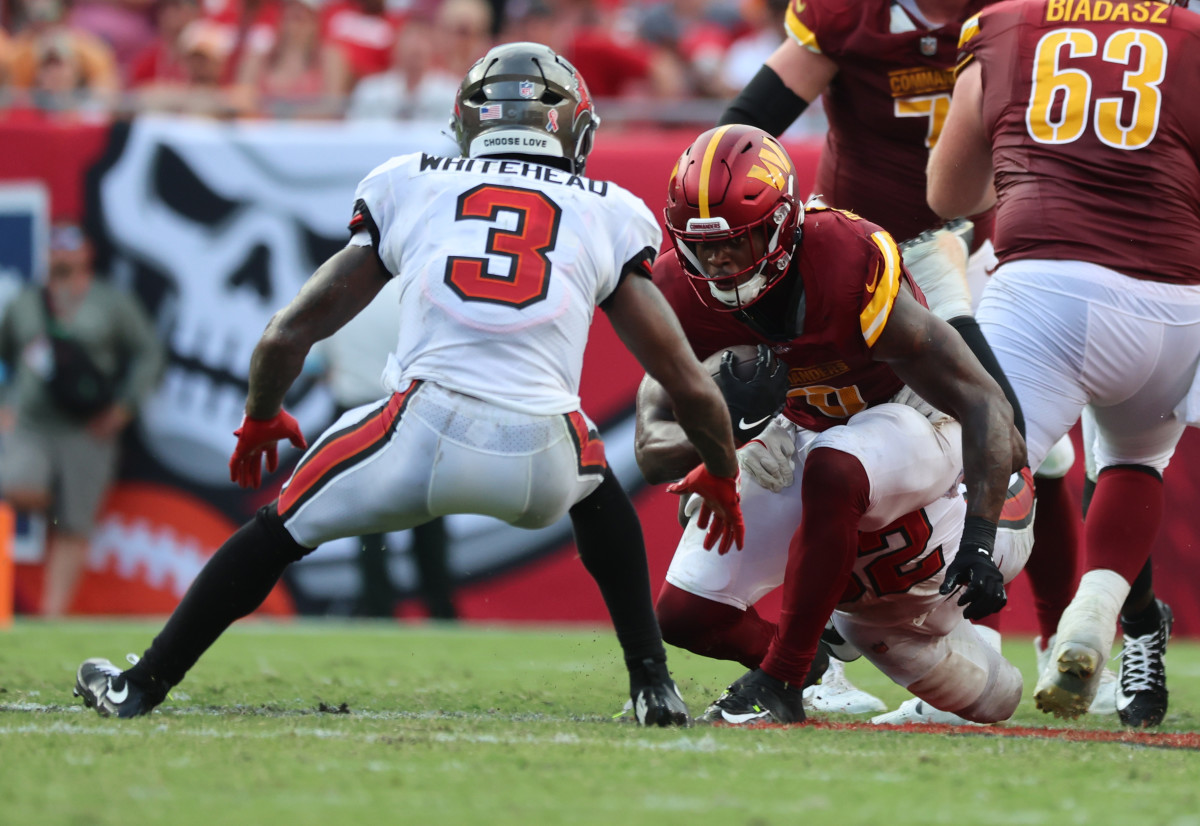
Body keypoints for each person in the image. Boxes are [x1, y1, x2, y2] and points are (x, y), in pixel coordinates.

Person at [71, 42, 744, 727]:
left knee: (275, 533)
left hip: (417, 434)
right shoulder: (609, 210)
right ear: (574, 128)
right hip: (543, 457)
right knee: (596, 489)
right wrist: (721, 472)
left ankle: (143, 683)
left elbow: (286, 333)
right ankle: (653, 683)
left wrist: (262, 415)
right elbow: (688, 384)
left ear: (467, 123)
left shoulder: (414, 181)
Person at [715, 0, 1151, 718]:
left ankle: (1047, 642)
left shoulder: (1019, 15)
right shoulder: (850, 12)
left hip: (968, 248)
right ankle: (827, 657)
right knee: (825, 446)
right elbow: (752, 118)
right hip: (859, 261)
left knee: (1030, 449)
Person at [642, 124, 1024, 725]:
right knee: (686, 615)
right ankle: (807, 660)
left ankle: (782, 681)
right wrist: (723, 444)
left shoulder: (845, 260)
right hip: (799, 431)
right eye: (700, 244)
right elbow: (649, 441)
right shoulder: (677, 290)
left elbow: (985, 402)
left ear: (782, 225)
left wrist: (979, 534)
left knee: (835, 466)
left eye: (736, 242)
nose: (716, 261)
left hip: (918, 419)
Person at [927, 0, 1200, 727]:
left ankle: (944, 654)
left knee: (972, 472)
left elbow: (948, 193)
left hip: (1040, 287)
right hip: (1171, 298)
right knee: (1135, 463)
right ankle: (1096, 612)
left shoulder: (1006, 24)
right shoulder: (1191, 38)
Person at [0, 222, 165, 616]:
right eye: (54, 245)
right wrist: (6, 403)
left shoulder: (111, 302)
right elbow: (5, 354)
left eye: (70, 244)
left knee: (74, 527)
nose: (61, 252)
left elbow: (149, 353)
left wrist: (125, 408)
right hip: (33, 424)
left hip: (88, 428)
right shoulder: (25, 301)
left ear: (87, 252)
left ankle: (52, 616)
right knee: (16, 487)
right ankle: (56, 503)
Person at [314, 276, 457, 620]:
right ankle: (440, 608)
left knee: (368, 520)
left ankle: (378, 607)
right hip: (413, 410)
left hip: (356, 414)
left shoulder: (340, 294)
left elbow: (317, 365)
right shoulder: (419, 294)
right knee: (428, 515)